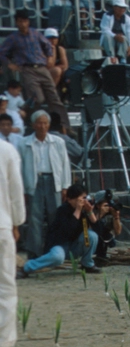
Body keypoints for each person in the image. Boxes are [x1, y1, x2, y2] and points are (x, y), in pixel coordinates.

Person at [0, 9, 69, 131]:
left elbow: (47, 46)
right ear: (16, 22)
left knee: (54, 98)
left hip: (42, 68)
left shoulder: (36, 34)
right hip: (27, 69)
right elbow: (2, 52)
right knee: (37, 98)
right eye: (20, 21)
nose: (22, 24)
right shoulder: (13, 38)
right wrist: (10, 64)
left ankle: (64, 126)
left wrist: (49, 57)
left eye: (24, 21)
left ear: (28, 22)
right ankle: (31, 122)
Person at [17, 110, 71, 258]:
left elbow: (65, 164)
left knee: (55, 216)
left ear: (49, 124)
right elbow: (20, 167)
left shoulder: (58, 142)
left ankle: (54, 250)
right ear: (33, 125)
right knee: (35, 218)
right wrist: (22, 189)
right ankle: (34, 252)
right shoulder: (23, 143)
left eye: (45, 123)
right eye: (39, 123)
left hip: (54, 180)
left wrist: (65, 186)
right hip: (34, 181)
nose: (42, 126)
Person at [19, 183, 100, 278]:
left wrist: (90, 212)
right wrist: (78, 210)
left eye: (84, 198)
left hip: (75, 246)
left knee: (92, 236)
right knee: (57, 258)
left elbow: (99, 231)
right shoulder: (62, 210)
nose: (83, 202)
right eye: (80, 199)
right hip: (60, 245)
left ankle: (87, 264)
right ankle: (26, 268)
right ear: (69, 199)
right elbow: (68, 231)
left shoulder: (84, 210)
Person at [0, 135, 20, 347]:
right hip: (2, 224)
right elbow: (16, 191)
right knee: (5, 287)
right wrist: (17, 221)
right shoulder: (6, 150)